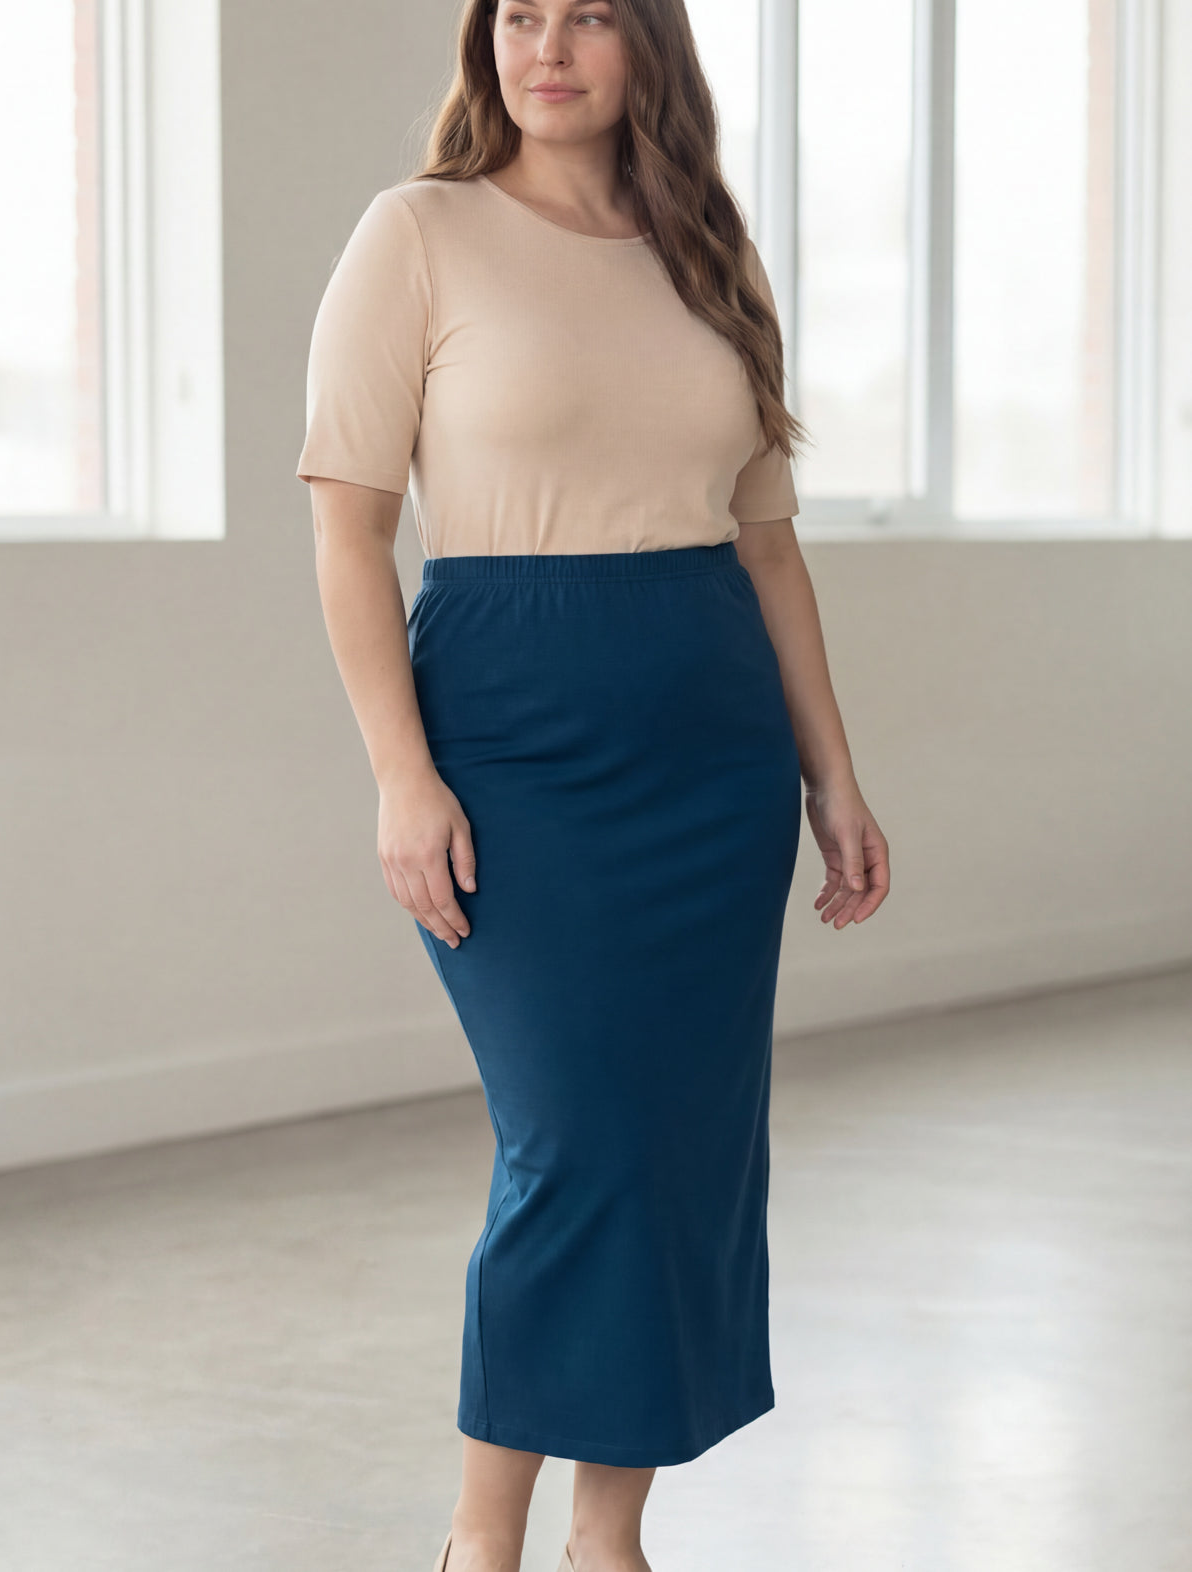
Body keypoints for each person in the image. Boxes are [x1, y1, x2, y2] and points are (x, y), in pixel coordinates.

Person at [295, 2, 890, 1568]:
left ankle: (603, 1535)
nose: (544, 45)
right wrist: (398, 776)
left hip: (711, 737)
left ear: (648, 47)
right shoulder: (415, 234)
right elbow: (348, 530)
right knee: (573, 1140)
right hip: (506, 723)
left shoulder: (709, 251)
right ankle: (480, 1543)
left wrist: (833, 774)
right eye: (518, 14)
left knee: (684, 1140)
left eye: (587, 16)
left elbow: (766, 542)